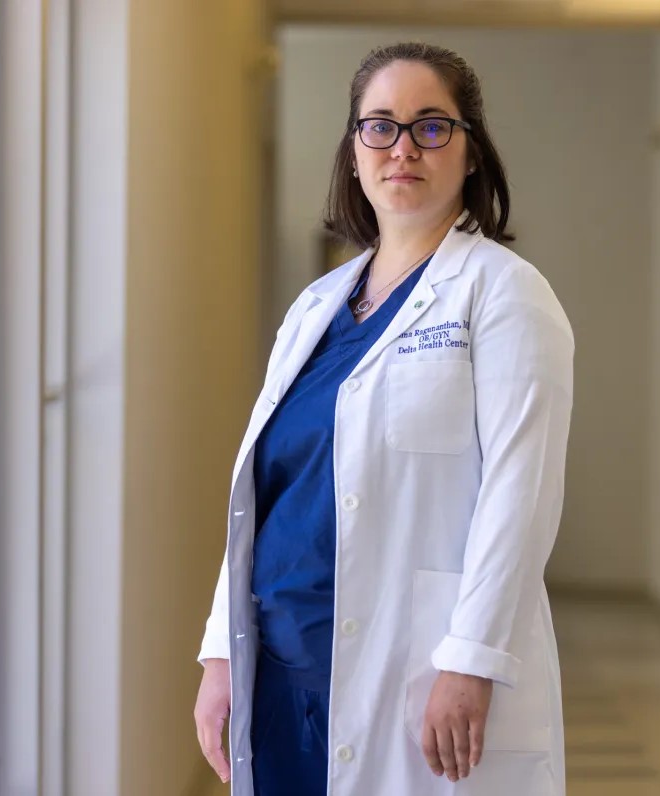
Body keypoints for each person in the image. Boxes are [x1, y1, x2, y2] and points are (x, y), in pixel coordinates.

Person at [193, 41, 574, 796]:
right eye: (380, 126)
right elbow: (265, 496)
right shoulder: (315, 307)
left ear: (471, 151)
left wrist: (471, 657)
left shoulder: (504, 293)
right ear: (354, 150)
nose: (403, 148)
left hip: (416, 673)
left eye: (431, 126)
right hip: (282, 676)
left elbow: (520, 494)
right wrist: (221, 651)